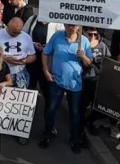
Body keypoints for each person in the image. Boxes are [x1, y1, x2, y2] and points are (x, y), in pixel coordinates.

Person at [40, 24, 94, 153]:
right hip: (56, 81)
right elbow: (45, 53)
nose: (70, 29)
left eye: (73, 27)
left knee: (75, 113)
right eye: (68, 26)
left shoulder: (84, 41)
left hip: (75, 84)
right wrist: (46, 71)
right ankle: (47, 134)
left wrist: (83, 57)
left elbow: (89, 63)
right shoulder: (57, 36)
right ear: (64, 25)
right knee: (51, 110)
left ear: (78, 27)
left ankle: (75, 140)